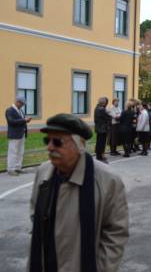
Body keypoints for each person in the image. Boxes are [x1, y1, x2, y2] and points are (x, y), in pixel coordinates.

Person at [29, 113, 129, 272]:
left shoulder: (108, 181)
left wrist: (102, 269)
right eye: (47, 140)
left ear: (79, 144)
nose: (49, 147)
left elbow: (116, 232)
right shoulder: (43, 173)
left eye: (57, 142)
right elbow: (35, 216)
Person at [5, 96, 31, 176]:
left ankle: (18, 167)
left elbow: (20, 121)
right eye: (22, 103)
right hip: (14, 134)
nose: (22, 105)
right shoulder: (9, 110)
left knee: (20, 152)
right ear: (17, 102)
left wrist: (25, 120)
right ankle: (11, 169)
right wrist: (24, 120)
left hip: (21, 134)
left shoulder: (20, 110)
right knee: (13, 152)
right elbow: (11, 121)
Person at [94, 97, 110, 163]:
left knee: (98, 142)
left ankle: (98, 155)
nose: (106, 104)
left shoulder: (96, 108)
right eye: (105, 102)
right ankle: (100, 156)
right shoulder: (102, 109)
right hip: (103, 128)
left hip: (98, 127)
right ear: (103, 103)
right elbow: (107, 118)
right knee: (102, 143)